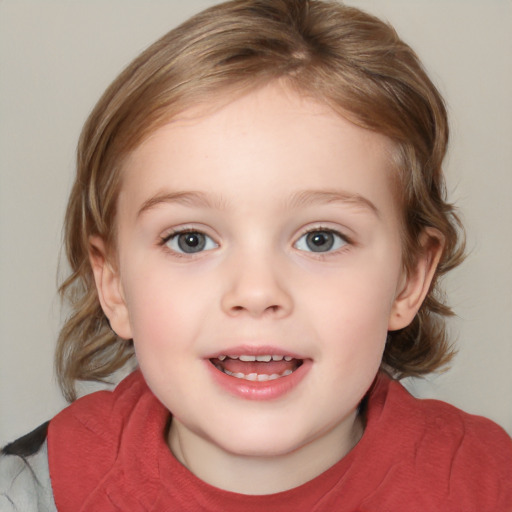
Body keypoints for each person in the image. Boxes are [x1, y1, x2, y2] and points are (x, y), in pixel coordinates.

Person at [1, 0, 511, 510]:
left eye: (320, 239)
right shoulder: (33, 492)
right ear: (113, 283)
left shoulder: (487, 486)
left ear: (410, 277)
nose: (256, 292)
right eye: (191, 239)